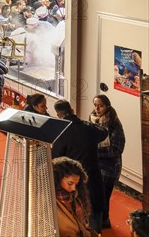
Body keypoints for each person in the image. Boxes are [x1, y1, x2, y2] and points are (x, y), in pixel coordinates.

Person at [53, 99, 108, 234]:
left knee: (77, 210)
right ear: (72, 111)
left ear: (59, 115)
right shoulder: (88, 127)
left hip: (73, 178)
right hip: (93, 174)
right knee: (95, 207)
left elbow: (55, 158)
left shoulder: (60, 133)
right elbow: (104, 132)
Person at [89, 94, 126, 229]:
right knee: (95, 194)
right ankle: (102, 220)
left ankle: (102, 222)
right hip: (94, 164)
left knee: (104, 195)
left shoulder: (114, 124)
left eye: (101, 105)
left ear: (107, 106)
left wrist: (94, 151)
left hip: (109, 167)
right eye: (95, 105)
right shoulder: (92, 119)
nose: (97, 109)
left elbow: (117, 149)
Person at [53, 156, 94, 237]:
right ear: (58, 178)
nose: (74, 188)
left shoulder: (76, 195)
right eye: (70, 183)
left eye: (76, 184)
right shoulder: (48, 199)